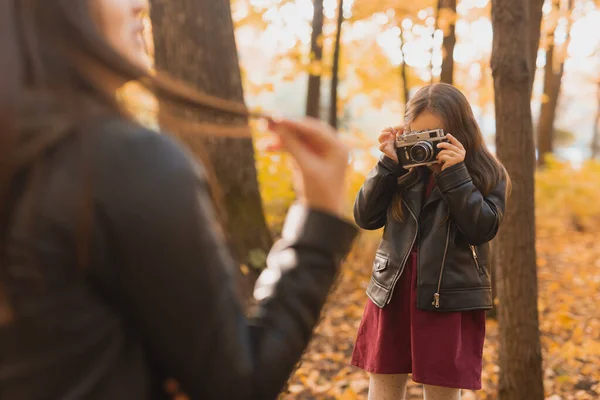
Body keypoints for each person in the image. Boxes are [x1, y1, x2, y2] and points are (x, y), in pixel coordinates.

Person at [0, 1, 357, 399]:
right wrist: (318, 217)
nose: (140, 4)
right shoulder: (123, 161)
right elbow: (239, 384)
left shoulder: (22, 159)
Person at [350, 83, 510, 400]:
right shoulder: (402, 169)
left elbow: (482, 228)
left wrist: (455, 175)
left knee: (442, 394)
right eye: (419, 135)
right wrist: (387, 165)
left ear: (460, 131)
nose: (428, 146)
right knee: (383, 389)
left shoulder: (487, 172)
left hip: (448, 298)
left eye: (437, 136)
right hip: (393, 290)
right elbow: (365, 217)